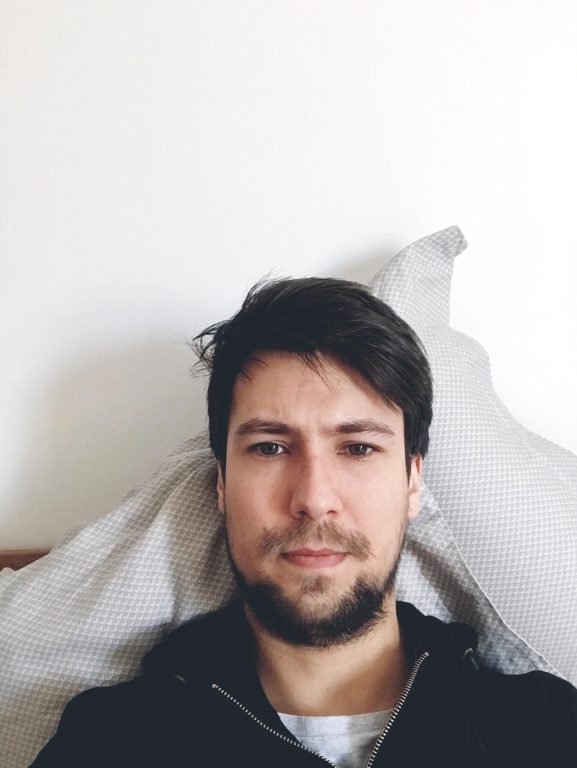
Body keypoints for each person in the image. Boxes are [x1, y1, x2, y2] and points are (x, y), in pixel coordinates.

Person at [31, 278, 577, 767]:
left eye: (358, 448)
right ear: (221, 483)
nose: (314, 499)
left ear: (413, 482)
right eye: (270, 447)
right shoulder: (109, 742)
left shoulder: (547, 731)